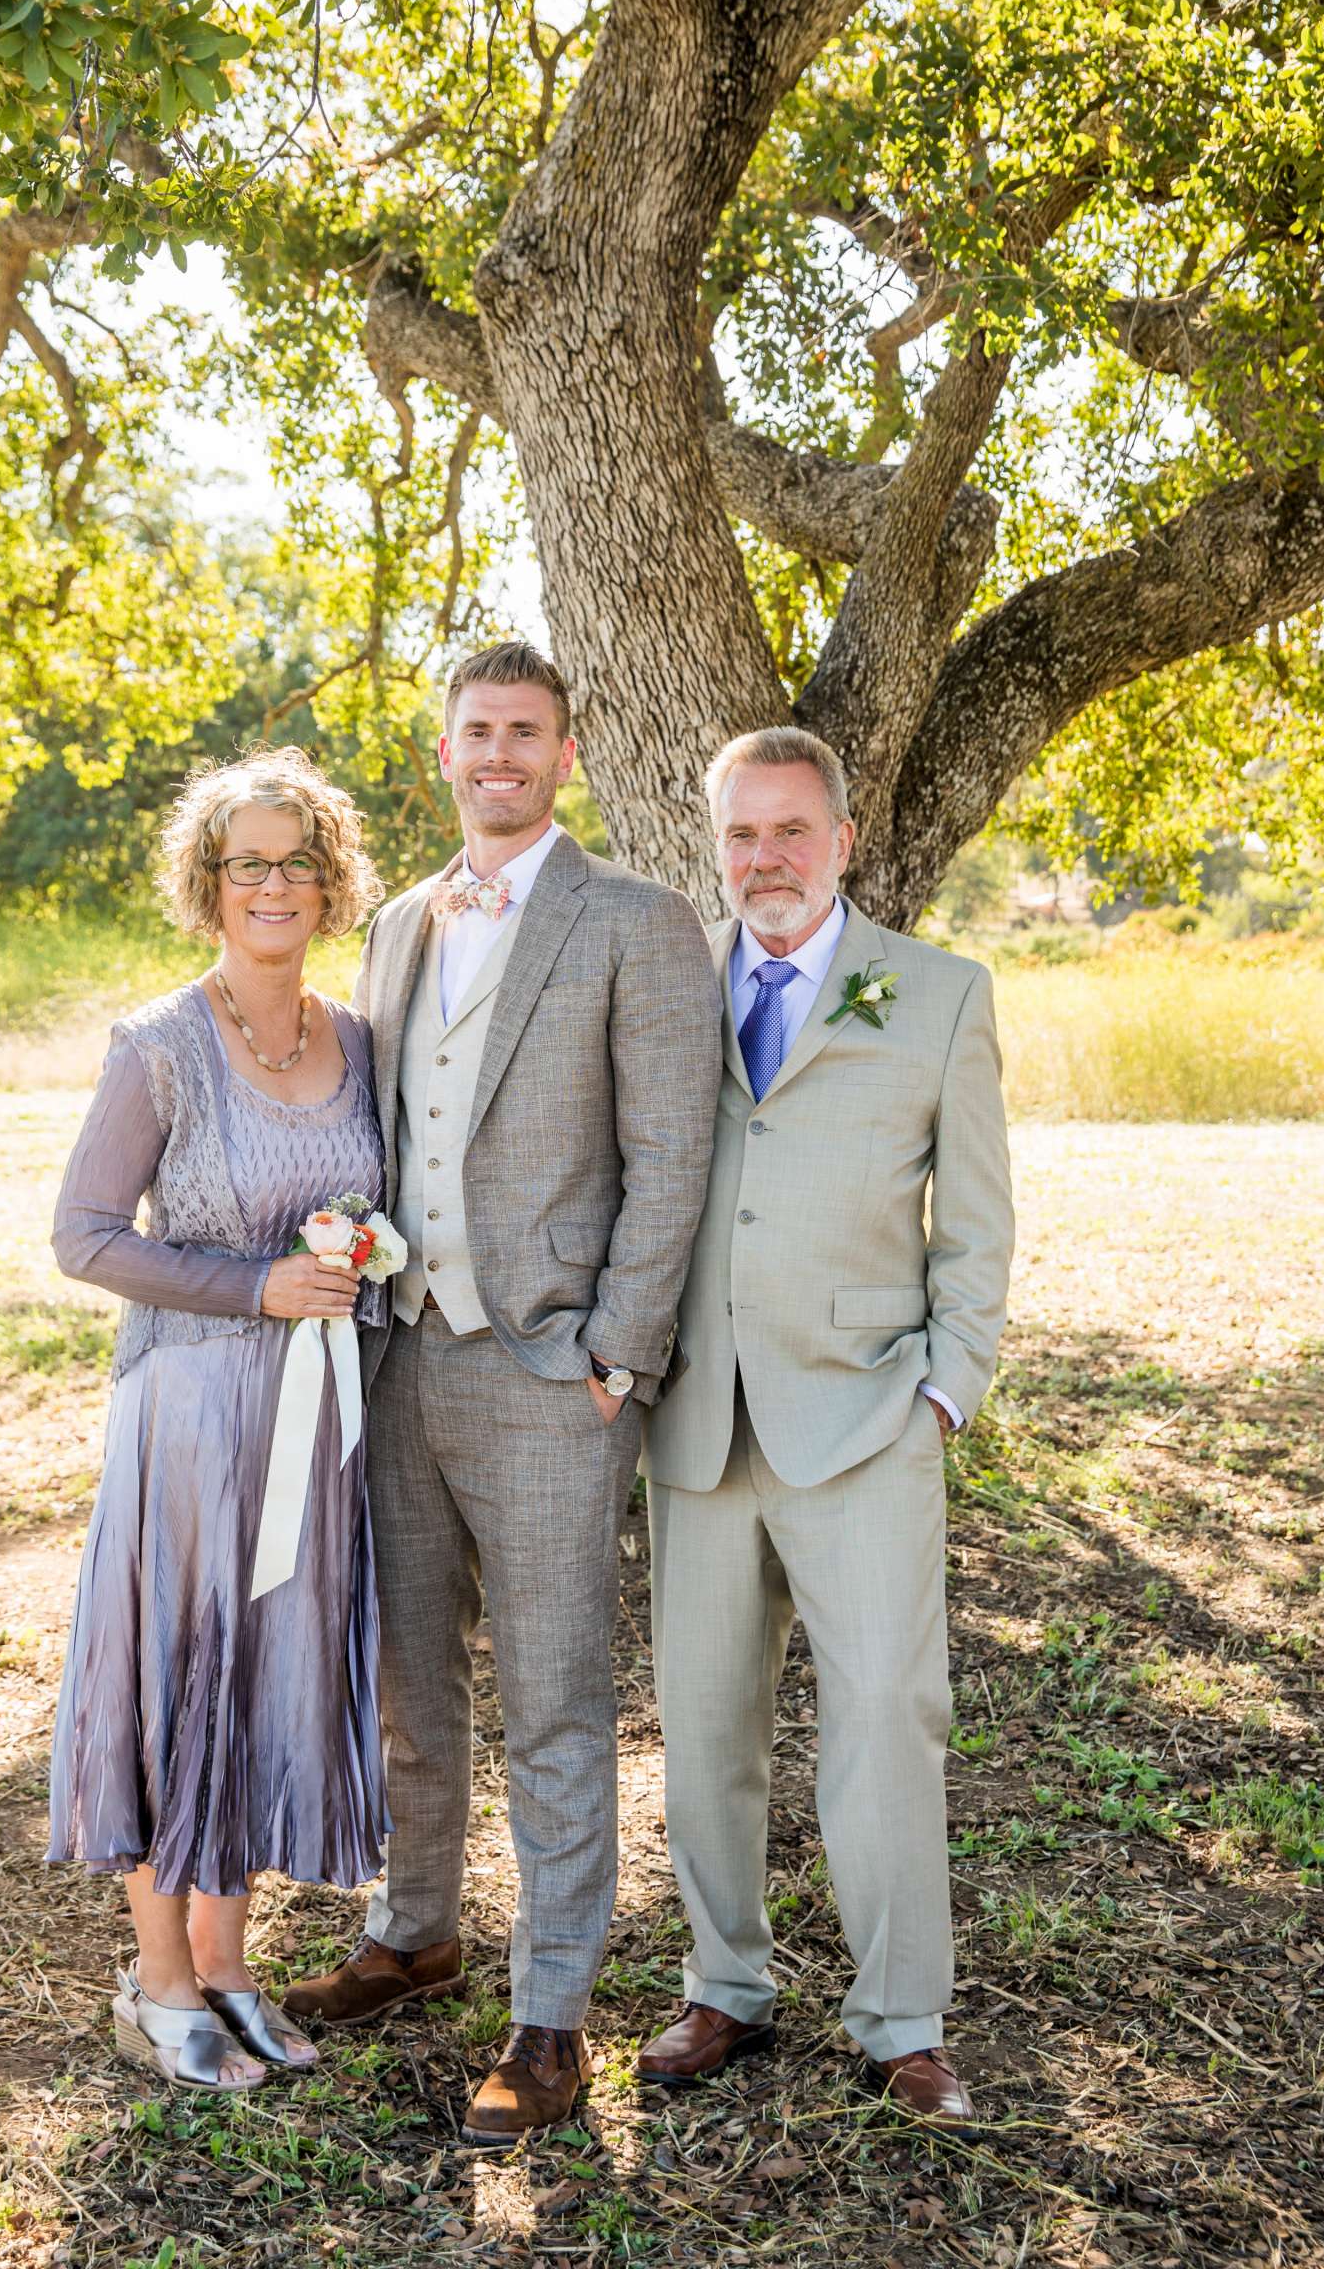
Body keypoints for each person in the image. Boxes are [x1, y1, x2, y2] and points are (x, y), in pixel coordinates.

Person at [282, 640, 722, 2147]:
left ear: (566, 753)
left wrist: (620, 1352)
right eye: (477, 729)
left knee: (554, 1702)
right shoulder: (401, 923)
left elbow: (675, 1157)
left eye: (526, 732)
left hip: (549, 1373)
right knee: (413, 1684)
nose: (499, 753)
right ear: (447, 747)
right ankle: (415, 1933)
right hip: (401, 1357)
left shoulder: (636, 922)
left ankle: (551, 2015)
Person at [638, 725, 1014, 2126]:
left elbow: (976, 1226)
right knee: (702, 1726)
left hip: (864, 1418)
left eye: (792, 831)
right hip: (699, 1421)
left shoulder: (936, 995)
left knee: (885, 1721)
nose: (766, 860)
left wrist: (942, 1388)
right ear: (716, 844)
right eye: (743, 835)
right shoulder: (674, 987)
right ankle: (723, 1986)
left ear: (843, 840)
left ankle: (902, 2018)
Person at [46, 747, 390, 2091]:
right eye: (247, 862)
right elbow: (82, 1237)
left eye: (298, 862)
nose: (274, 885)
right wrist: (255, 1287)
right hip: (188, 1419)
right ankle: (160, 1978)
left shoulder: (353, 1037)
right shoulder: (158, 1047)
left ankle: (233, 1963)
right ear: (208, 882)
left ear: (330, 881)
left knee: (268, 1673)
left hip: (315, 1431)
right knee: (179, 1675)